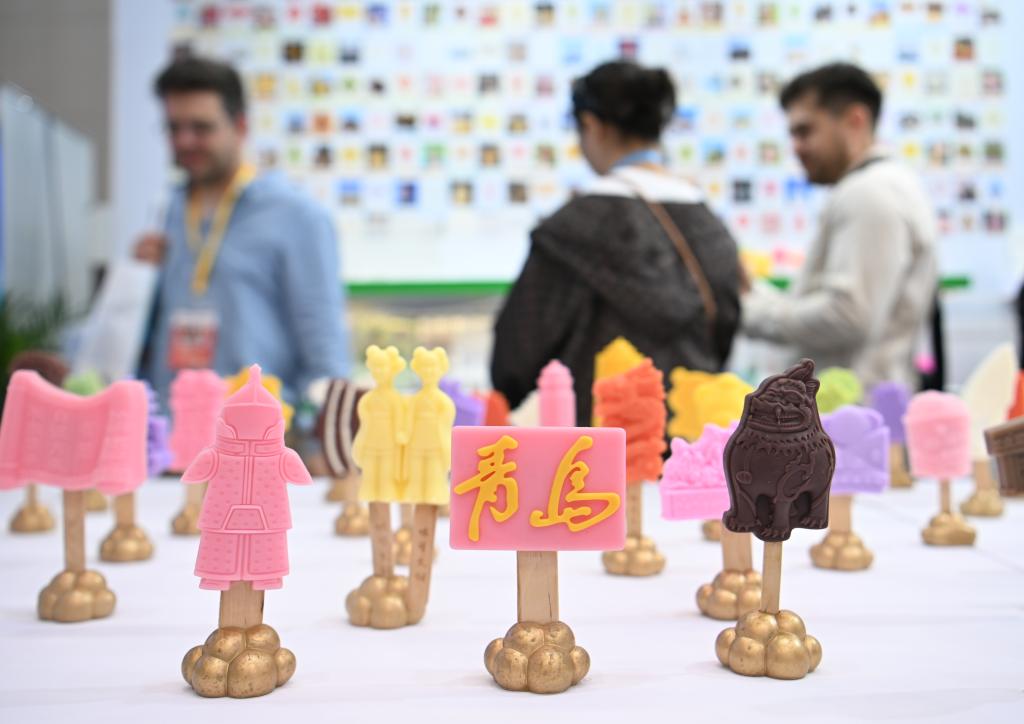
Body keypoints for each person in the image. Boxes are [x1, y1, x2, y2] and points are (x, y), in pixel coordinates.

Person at [491, 61, 741, 424]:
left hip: (596, 444)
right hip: (693, 439)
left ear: (591, 124)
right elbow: (724, 336)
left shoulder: (572, 228)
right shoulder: (709, 224)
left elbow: (516, 358)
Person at [136, 56, 349, 406]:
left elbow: (326, 357)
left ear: (241, 126)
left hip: (258, 432)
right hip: (173, 430)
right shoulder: (166, 212)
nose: (185, 141)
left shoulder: (298, 216)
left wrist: (312, 426)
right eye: (174, 128)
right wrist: (137, 281)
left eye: (201, 128)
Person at [742, 63, 936, 389]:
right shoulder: (884, 185)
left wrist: (749, 314)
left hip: (852, 407)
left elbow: (848, 315)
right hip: (858, 403)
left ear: (855, 120)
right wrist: (756, 295)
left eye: (805, 131)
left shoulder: (869, 193)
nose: (796, 147)